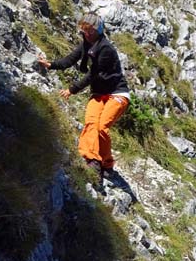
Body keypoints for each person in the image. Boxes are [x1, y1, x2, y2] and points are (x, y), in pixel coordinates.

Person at [38, 12, 129, 179]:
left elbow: (93, 74)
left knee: (102, 127)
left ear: (98, 31)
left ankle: (107, 164)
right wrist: (51, 65)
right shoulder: (86, 44)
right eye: (84, 31)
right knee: (91, 123)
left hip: (117, 93)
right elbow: (69, 60)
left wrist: (72, 90)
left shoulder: (106, 48)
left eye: (90, 31)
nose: (87, 34)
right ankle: (92, 160)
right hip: (98, 93)